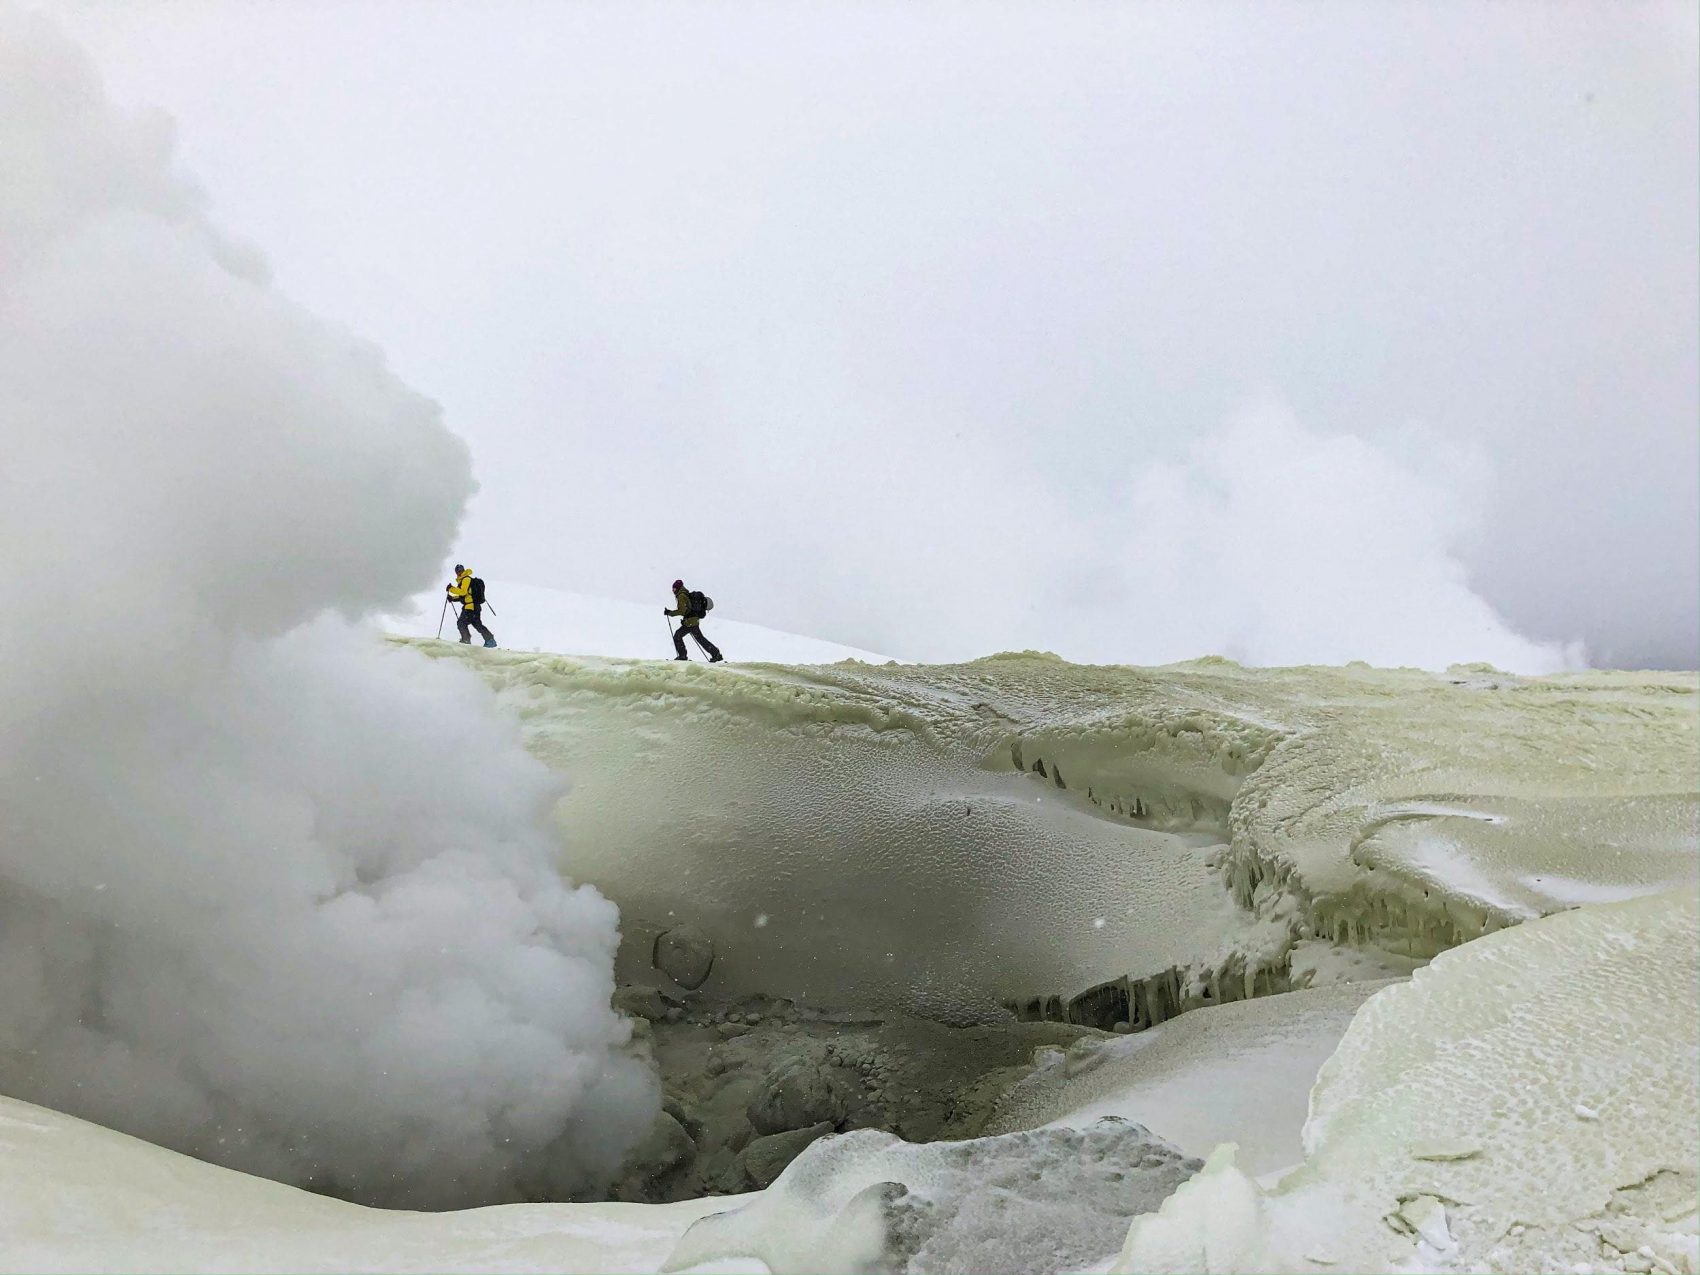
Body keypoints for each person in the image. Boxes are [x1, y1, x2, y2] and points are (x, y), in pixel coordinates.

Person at [664, 579, 723, 662]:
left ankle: (683, 656)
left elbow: (682, 610)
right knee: (698, 638)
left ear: (677, 588)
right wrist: (685, 620)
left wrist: (670, 613)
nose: (672, 590)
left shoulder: (681, 595)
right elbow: (687, 610)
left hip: (691, 622)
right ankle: (715, 654)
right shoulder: (685, 594)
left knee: (678, 636)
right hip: (692, 621)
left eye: (674, 588)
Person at [447, 564, 497, 647]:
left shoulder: (466, 579)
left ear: (463, 570)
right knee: (477, 624)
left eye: (460, 570)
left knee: (461, 623)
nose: (459, 572)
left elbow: (463, 592)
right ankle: (490, 640)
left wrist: (451, 589)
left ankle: (466, 640)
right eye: (458, 571)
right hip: (475, 607)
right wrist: (452, 598)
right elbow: (465, 596)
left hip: (470, 608)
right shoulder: (465, 580)